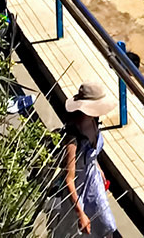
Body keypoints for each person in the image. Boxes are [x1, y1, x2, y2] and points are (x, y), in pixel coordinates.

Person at [51, 82, 119, 236]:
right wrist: (80, 212)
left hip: (92, 179)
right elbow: (69, 179)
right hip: (77, 187)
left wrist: (98, 167)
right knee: (73, 229)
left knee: (106, 223)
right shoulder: (73, 137)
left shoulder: (94, 121)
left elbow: (93, 152)